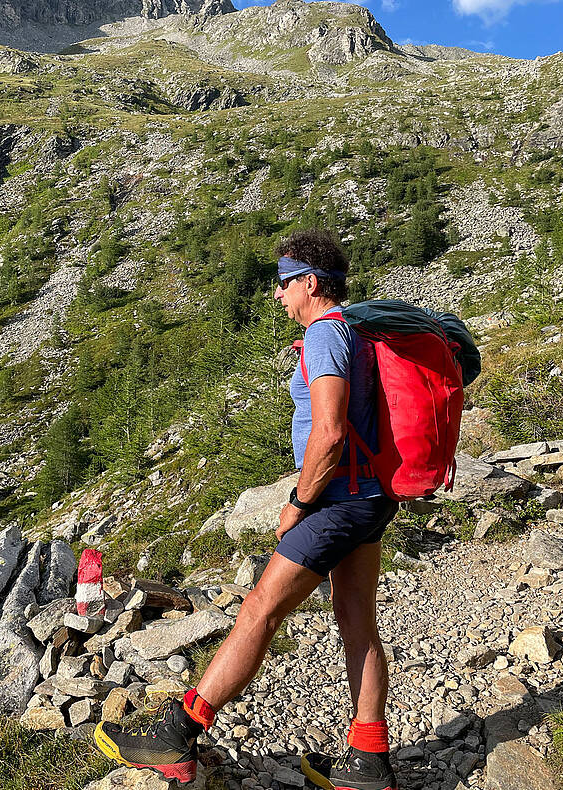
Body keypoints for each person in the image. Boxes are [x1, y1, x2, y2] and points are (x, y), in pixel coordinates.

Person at [94, 229, 399, 790]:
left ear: (310, 282)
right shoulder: (351, 330)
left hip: (335, 502)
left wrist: (298, 502)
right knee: (356, 618)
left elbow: (329, 434)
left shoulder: (327, 336)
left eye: (284, 283)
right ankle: (370, 763)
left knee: (260, 607)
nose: (278, 295)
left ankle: (179, 733)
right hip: (370, 497)